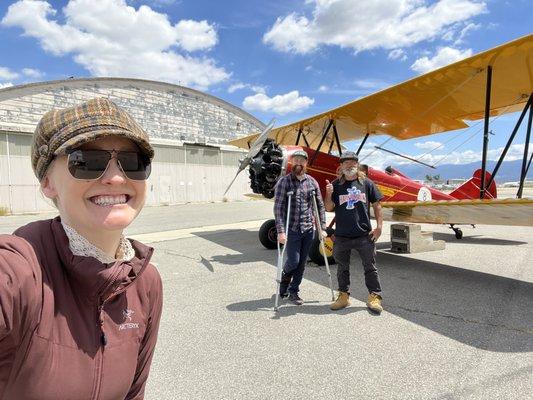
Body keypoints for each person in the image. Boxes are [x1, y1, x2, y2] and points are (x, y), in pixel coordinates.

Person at [0, 98, 163, 399]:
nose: (116, 177)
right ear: (48, 182)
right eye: (87, 160)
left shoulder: (146, 282)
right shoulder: (21, 267)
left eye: (133, 162)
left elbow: (134, 393)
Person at [324, 151, 384, 313]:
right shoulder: (336, 185)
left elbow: (377, 205)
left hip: (364, 234)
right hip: (342, 235)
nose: (350, 165)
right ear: (341, 166)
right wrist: (329, 194)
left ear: (357, 165)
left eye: (353, 162)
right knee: (342, 267)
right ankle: (343, 297)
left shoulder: (367, 183)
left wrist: (379, 227)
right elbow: (329, 207)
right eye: (346, 162)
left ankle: (374, 297)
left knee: (370, 267)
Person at [274, 149, 327, 305]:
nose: (298, 163)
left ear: (306, 163)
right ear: (292, 162)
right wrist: (281, 231)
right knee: (293, 261)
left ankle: (293, 292)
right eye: (295, 160)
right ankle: (284, 283)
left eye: (301, 161)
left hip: (308, 229)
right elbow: (278, 208)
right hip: (292, 229)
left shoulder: (312, 182)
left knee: (302, 263)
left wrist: (322, 227)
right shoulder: (284, 182)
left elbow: (320, 206)